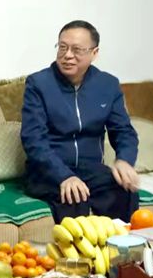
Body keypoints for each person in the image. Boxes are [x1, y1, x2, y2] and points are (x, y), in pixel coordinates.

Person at [20, 20, 140, 223]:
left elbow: (123, 131)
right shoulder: (39, 84)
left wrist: (125, 160)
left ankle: (121, 243)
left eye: (77, 50)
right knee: (73, 197)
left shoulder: (108, 85)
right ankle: (77, 246)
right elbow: (34, 139)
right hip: (48, 171)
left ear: (94, 53)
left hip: (91, 169)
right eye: (62, 47)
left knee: (125, 190)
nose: (67, 55)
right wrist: (64, 176)